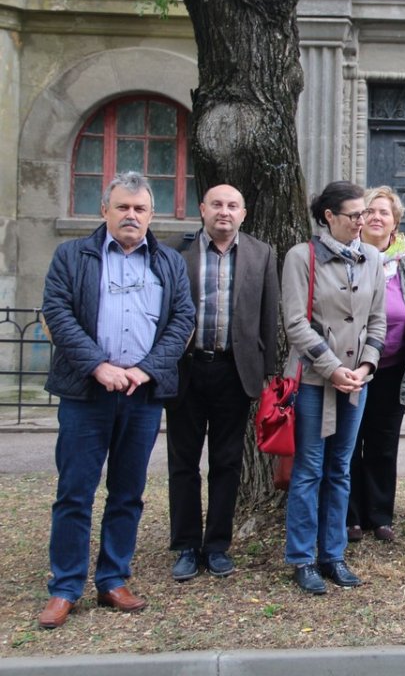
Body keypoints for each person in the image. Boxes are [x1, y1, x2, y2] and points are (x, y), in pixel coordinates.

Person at [38, 172, 194, 629]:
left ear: (151, 215)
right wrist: (99, 366)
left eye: (140, 209)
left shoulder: (167, 262)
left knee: (128, 492)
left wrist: (145, 369)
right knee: (75, 493)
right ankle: (65, 587)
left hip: (141, 395)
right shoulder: (72, 255)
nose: (131, 216)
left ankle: (113, 579)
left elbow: (181, 320)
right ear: (104, 210)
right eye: (123, 207)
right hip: (87, 392)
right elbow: (58, 314)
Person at [167, 184, 280, 582]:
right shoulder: (175, 253)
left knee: (227, 463)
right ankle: (185, 546)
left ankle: (217, 546)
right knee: (183, 464)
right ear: (202, 209)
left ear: (243, 213)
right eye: (217, 204)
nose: (224, 212)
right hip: (187, 370)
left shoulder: (261, 253)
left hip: (235, 372)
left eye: (233, 205)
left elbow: (269, 316)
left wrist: (267, 373)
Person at [281, 181, 386, 595]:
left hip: (356, 382)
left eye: (365, 214)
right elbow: (295, 322)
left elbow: (378, 320)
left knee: (340, 468)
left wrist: (365, 366)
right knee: (308, 470)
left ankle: (334, 554)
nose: (364, 221)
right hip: (313, 381)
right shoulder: (300, 257)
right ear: (329, 217)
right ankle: (303, 558)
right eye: (355, 215)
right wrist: (332, 368)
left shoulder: (372, 257)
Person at [346, 186, 405, 544]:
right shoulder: (347, 257)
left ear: (395, 222)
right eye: (369, 211)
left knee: (384, 444)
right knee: (349, 443)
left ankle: (380, 515)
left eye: (384, 212)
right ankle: (350, 516)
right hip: (352, 369)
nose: (376, 217)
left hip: (395, 368)